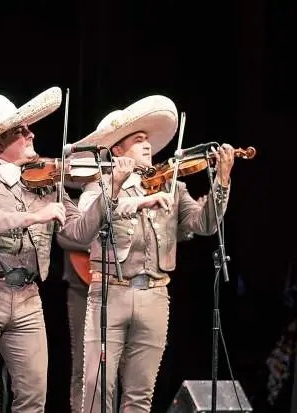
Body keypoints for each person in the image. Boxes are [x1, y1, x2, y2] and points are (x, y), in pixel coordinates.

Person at [0, 87, 107, 412]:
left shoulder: (44, 178)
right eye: (21, 130)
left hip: (28, 295)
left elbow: (78, 233)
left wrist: (107, 194)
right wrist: (34, 216)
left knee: (33, 395)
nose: (31, 134)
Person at [70, 95, 235, 413]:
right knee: (97, 391)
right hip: (109, 295)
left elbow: (204, 223)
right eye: (138, 140)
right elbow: (85, 226)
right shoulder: (99, 185)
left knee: (140, 396)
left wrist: (222, 182)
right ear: (117, 150)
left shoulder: (172, 186)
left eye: (148, 140)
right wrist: (120, 187)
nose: (148, 146)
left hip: (155, 296)